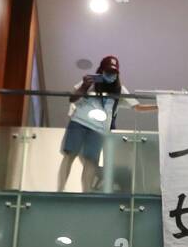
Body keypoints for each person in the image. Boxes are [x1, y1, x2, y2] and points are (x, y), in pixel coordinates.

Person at [58, 55, 149, 192]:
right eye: (108, 72)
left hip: (99, 129)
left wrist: (162, 106)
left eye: (113, 72)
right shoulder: (91, 82)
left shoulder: (119, 90)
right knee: (70, 155)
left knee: (91, 161)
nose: (110, 75)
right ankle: (60, 189)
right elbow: (72, 98)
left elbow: (138, 107)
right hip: (79, 122)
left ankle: (86, 193)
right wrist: (84, 86)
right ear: (101, 71)